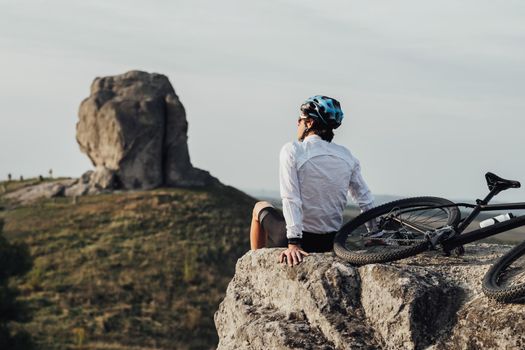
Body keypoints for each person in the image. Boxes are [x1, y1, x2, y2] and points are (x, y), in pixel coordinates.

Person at [250, 95, 375, 266]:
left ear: (309, 123)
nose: (297, 123)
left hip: (300, 240)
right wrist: (375, 233)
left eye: (300, 120)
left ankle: (254, 262)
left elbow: (290, 197)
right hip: (332, 242)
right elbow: (364, 198)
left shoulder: (293, 150)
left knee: (259, 207)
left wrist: (293, 243)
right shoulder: (347, 155)